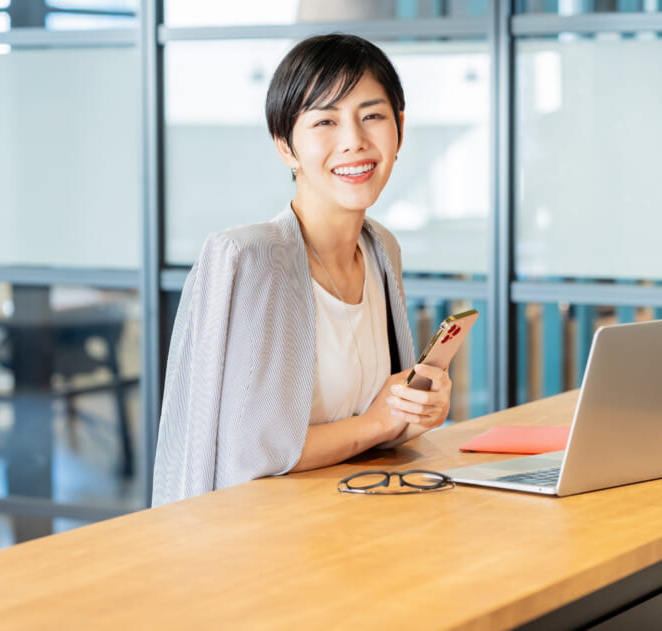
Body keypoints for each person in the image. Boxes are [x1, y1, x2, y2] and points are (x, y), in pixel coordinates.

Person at [152, 34, 454, 506]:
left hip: (362, 519)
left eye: (371, 116)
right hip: (270, 544)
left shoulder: (381, 249)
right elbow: (248, 455)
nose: (354, 141)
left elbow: (376, 426)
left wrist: (414, 410)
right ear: (286, 147)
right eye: (325, 121)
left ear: (399, 128)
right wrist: (378, 422)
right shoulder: (248, 260)